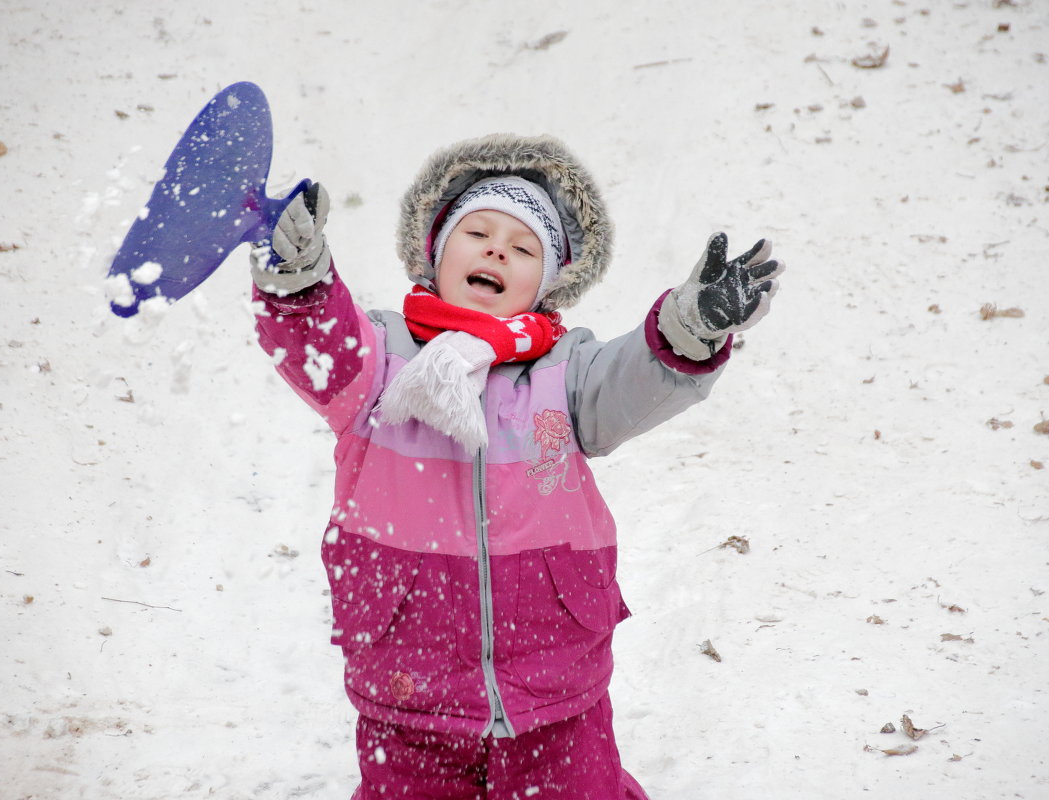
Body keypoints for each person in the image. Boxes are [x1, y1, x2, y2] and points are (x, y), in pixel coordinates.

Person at [249, 133, 783, 800]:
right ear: (436, 254)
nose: (498, 248)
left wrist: (692, 326)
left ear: (548, 280)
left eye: (524, 246)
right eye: (477, 232)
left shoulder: (568, 372)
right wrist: (299, 279)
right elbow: (315, 342)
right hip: (407, 690)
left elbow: (636, 379)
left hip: (555, 688)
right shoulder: (379, 360)